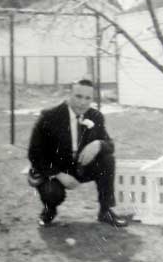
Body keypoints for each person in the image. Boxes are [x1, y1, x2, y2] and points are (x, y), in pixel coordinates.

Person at [27, 79, 128, 227]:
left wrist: (98, 144)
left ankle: (106, 211)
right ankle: (49, 210)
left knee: (107, 159)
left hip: (80, 166)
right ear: (69, 95)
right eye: (78, 96)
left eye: (88, 98)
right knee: (52, 192)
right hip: (55, 169)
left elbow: (110, 145)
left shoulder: (95, 116)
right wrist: (59, 175)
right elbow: (34, 153)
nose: (82, 102)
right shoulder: (49, 116)